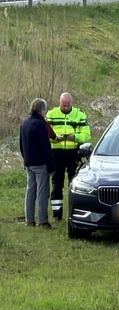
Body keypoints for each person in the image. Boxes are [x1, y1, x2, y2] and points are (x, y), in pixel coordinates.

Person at [46, 92, 91, 221]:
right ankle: (57, 215)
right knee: (57, 184)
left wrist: (75, 137)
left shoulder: (79, 115)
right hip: (57, 153)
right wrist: (56, 139)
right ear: (59, 103)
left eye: (67, 105)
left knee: (75, 184)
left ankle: (75, 213)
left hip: (74, 154)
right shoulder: (51, 115)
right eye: (63, 105)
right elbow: (46, 136)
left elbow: (87, 136)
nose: (65, 108)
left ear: (71, 104)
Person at [20, 98, 55, 229]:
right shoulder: (40, 125)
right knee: (42, 193)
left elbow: (21, 145)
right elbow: (45, 147)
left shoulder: (24, 123)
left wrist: (26, 159)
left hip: (29, 163)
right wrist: (51, 166)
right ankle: (43, 221)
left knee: (30, 192)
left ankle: (29, 220)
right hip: (40, 164)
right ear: (41, 110)